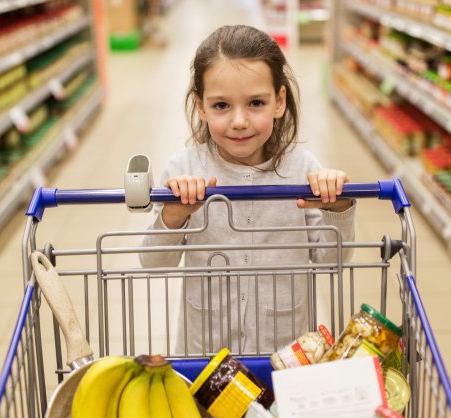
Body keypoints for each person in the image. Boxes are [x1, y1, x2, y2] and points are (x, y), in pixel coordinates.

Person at [139, 24, 356, 354]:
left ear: (279, 102)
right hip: (206, 352)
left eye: (256, 102)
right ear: (201, 107)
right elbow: (153, 262)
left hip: (284, 351)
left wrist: (337, 207)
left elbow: (329, 259)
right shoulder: (184, 171)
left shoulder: (301, 170)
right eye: (221, 106)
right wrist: (173, 215)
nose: (239, 121)